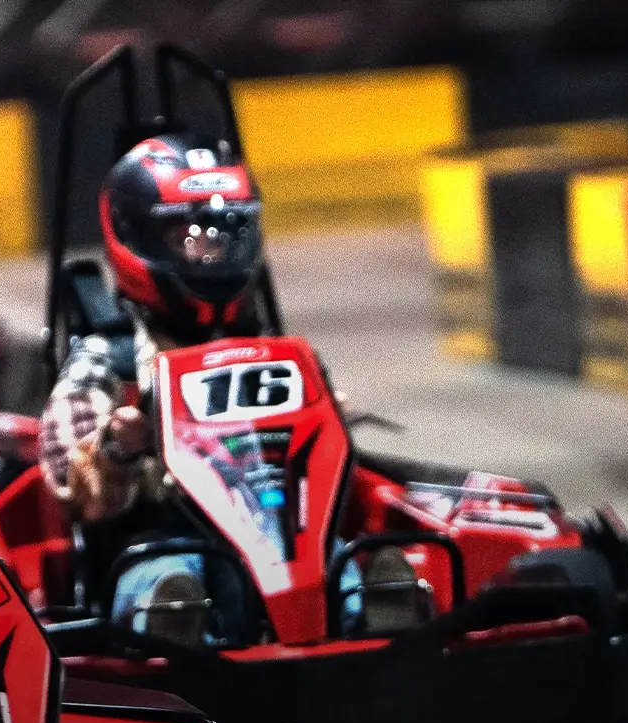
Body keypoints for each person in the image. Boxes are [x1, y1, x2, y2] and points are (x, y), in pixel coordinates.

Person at [37, 133, 415, 645]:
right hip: (158, 536)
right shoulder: (109, 360)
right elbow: (71, 493)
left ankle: (375, 613)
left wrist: (324, 428)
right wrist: (120, 449)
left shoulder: (267, 349)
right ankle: (173, 630)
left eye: (222, 232)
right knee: (173, 577)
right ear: (138, 239)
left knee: (335, 561)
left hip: (279, 535)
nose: (208, 249)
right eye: (186, 234)